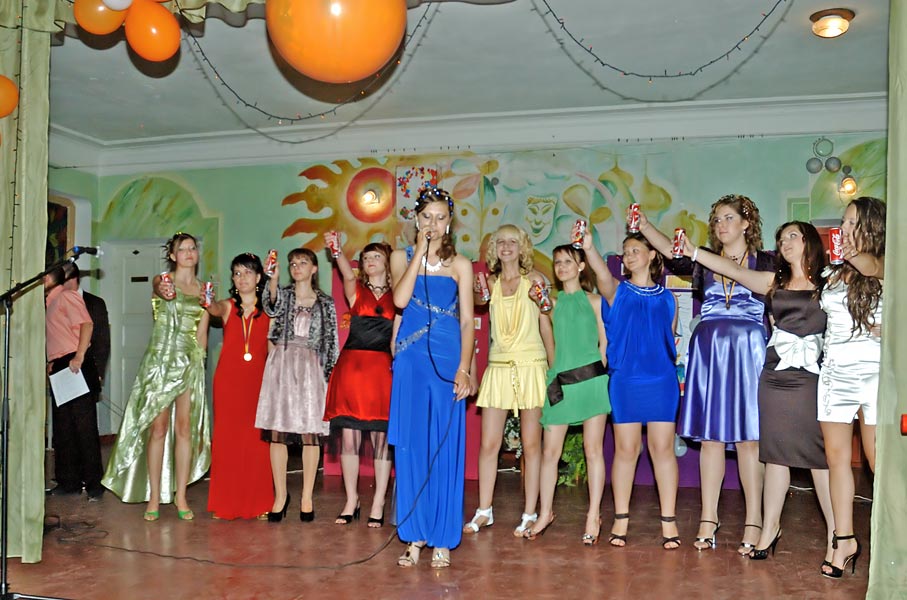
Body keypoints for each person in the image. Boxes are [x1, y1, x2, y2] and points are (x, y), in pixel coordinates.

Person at [680, 222, 834, 565]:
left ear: (809, 241)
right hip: (774, 377)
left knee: (819, 458)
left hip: (811, 378)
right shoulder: (773, 282)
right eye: (781, 239)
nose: (785, 242)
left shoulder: (830, 283)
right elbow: (733, 270)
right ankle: (768, 528)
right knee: (775, 454)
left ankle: (836, 537)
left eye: (793, 236)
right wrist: (695, 252)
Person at [638, 195, 772, 553]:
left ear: (746, 223)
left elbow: (769, 295)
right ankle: (708, 518)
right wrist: (645, 225)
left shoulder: (767, 260)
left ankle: (754, 520)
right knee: (711, 439)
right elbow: (671, 251)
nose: (720, 225)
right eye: (716, 220)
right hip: (710, 352)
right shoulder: (701, 263)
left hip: (749, 354)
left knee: (750, 440)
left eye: (728, 218)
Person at [389, 186, 475, 569]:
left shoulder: (461, 264)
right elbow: (399, 301)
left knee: (444, 446)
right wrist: (419, 255)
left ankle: (442, 537)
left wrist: (465, 368)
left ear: (450, 222)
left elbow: (469, 322)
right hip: (410, 359)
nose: (433, 224)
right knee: (411, 447)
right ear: (417, 219)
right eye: (427, 217)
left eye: (441, 218)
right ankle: (414, 536)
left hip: (447, 356)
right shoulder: (400, 257)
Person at [582, 232, 681, 549]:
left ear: (652, 255)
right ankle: (620, 519)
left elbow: (670, 340)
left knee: (663, 450)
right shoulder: (617, 291)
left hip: (661, 381)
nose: (628, 255)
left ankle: (669, 521)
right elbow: (601, 274)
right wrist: (588, 247)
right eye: (625, 251)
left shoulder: (669, 298)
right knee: (626, 450)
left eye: (635, 250)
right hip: (626, 381)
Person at [102, 233, 211, 521]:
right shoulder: (163, 281)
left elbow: (202, 333)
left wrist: (199, 363)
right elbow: (158, 287)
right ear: (173, 255)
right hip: (161, 362)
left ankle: (181, 496)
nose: (189, 252)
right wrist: (160, 287)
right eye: (182, 249)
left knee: (185, 429)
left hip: (189, 363)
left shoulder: (203, 289)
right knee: (158, 428)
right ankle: (153, 496)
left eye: (192, 248)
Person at [464, 224, 554, 537]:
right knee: (489, 444)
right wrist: (478, 291)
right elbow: (476, 303)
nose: (506, 247)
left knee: (531, 445)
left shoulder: (536, 280)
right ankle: (484, 510)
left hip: (531, 366)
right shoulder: (489, 283)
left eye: (512, 241)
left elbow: (546, 324)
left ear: (522, 247)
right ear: (494, 249)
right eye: (500, 241)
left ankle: (530, 513)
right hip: (499, 367)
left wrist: (554, 370)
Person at [817, 197, 885, 579]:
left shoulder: (884, 262)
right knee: (837, 459)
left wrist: (850, 253)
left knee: (878, 461)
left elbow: (871, 267)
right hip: (834, 372)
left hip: (874, 372)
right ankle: (844, 540)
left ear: (871, 226)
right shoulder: (833, 270)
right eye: (842, 222)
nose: (843, 228)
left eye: (851, 222)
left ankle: (894, 538)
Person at [524, 244, 610, 545]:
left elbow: (604, 343)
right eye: (557, 262)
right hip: (560, 383)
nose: (561, 266)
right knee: (550, 453)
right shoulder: (550, 304)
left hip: (591, 383)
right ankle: (545, 512)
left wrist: (600, 372)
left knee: (593, 450)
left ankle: (593, 515)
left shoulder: (596, 301)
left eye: (568, 261)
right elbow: (549, 342)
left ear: (581, 266)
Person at [256, 247, 339, 523]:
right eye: (293, 263)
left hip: (311, 369)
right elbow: (270, 307)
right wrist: (272, 279)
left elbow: (331, 341)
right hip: (282, 365)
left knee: (310, 434)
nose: (297, 266)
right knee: (277, 432)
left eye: (303, 262)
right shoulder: (284, 295)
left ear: (314, 268)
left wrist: (330, 374)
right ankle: (280, 496)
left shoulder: (325, 302)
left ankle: (306, 497)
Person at [323, 238, 395, 528]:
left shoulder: (399, 294)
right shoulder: (356, 289)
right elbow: (346, 272)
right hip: (351, 372)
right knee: (350, 439)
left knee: (381, 440)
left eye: (376, 256)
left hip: (383, 375)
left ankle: (378, 502)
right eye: (366, 258)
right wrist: (337, 251)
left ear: (388, 262)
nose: (370, 261)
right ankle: (351, 500)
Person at [205, 253, 274, 520]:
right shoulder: (227, 306)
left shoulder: (269, 310)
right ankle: (225, 503)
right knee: (227, 440)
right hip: (228, 381)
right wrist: (207, 301)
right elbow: (213, 309)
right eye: (236, 273)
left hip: (259, 381)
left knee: (257, 441)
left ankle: (261, 502)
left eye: (247, 272)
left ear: (258, 278)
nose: (241, 278)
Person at [45, 264, 103, 500]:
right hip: (61, 365)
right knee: (64, 428)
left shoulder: (66, 296)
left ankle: (94, 485)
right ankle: (68, 482)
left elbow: (87, 325)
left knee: (83, 427)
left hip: (74, 364)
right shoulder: (50, 302)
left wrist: (79, 356)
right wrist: (52, 361)